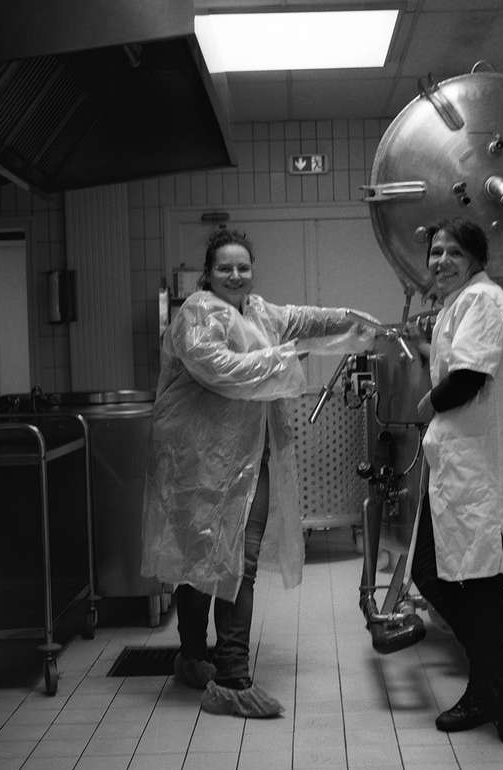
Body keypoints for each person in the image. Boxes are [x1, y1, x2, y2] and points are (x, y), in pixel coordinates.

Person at [141, 227, 378, 718]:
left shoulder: (261, 313)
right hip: (199, 464)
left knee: (234, 563)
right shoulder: (197, 314)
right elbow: (222, 367)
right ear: (208, 273)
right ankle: (228, 678)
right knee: (205, 562)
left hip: (251, 461)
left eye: (243, 267)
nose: (235, 274)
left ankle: (199, 661)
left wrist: (358, 321)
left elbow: (308, 318)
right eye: (225, 267)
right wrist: (287, 357)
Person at [410, 218, 503, 742]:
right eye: (435, 252)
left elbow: (467, 378)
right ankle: (497, 672)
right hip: (458, 467)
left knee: (470, 581)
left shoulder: (483, 299)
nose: (440, 260)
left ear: (476, 258)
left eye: (452, 252)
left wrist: (425, 404)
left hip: (478, 470)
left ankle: (495, 676)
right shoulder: (459, 303)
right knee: (439, 573)